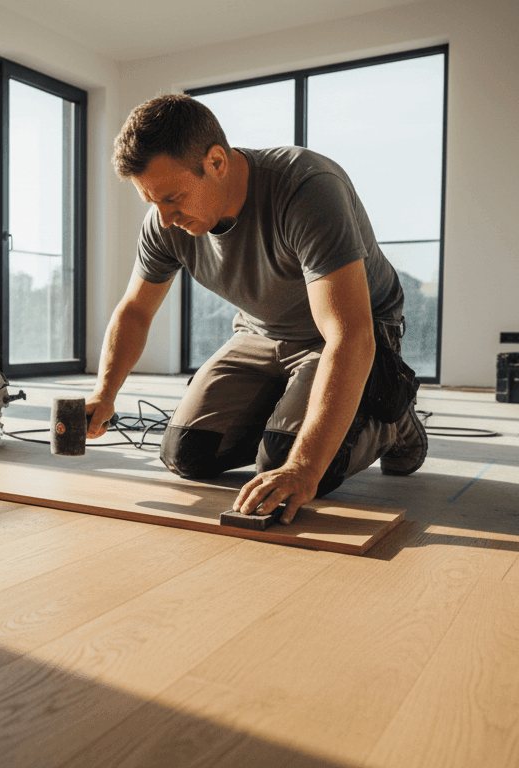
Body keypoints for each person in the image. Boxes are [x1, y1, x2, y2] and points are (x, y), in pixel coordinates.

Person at [85, 94, 426, 524]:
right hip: (260, 332)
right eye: (152, 202)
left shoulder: (307, 188)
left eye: (173, 198)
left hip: (348, 330)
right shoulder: (164, 221)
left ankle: (391, 415)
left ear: (216, 162)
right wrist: (105, 393)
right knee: (186, 454)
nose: (165, 218)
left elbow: (349, 334)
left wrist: (303, 466)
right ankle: (289, 413)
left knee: (287, 460)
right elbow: (135, 310)